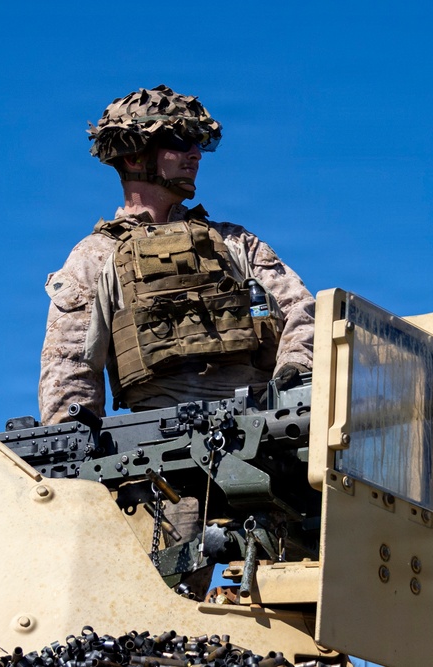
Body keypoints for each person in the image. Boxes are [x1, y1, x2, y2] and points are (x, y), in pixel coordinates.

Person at [38, 85, 315, 424]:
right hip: (157, 447)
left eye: (200, 144)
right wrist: (75, 445)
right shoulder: (97, 256)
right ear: (134, 155)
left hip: (262, 426)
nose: (196, 154)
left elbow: (301, 310)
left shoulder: (234, 242)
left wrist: (296, 367)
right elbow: (70, 365)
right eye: (180, 142)